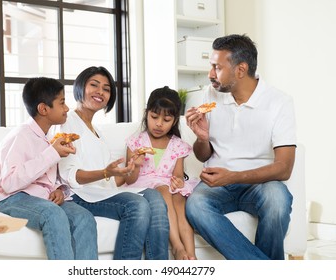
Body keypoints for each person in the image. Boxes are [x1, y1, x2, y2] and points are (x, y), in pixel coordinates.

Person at [185, 34, 296, 260]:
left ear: (241, 69)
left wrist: (233, 177)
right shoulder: (210, 95)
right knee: (195, 206)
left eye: (217, 67)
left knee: (278, 200)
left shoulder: (279, 102)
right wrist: (202, 138)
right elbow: (202, 155)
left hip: (261, 184)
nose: (210, 74)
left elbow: (284, 168)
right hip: (217, 185)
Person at [54, 66, 169, 260]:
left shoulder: (98, 133)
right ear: (80, 87)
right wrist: (107, 173)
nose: (100, 92)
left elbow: (109, 183)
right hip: (80, 195)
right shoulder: (67, 122)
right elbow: (70, 176)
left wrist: (125, 170)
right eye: (94, 85)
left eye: (106, 89)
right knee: (137, 205)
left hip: (101, 192)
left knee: (154, 195)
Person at [0, 77, 98, 260]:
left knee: (84, 217)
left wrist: (60, 190)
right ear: (44, 109)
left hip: (40, 197)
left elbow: (48, 179)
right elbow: (10, 183)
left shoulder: (49, 138)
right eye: (62, 102)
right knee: (53, 214)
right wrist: (51, 153)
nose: (67, 108)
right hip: (11, 198)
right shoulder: (21, 135)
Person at [122, 86, 199, 260]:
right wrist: (135, 165)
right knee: (163, 190)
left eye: (166, 119)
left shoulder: (178, 144)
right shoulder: (135, 142)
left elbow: (178, 175)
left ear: (174, 121)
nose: (159, 124)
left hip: (168, 185)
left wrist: (178, 182)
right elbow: (129, 178)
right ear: (146, 114)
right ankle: (178, 247)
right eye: (154, 117)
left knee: (180, 201)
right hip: (144, 186)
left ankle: (191, 255)